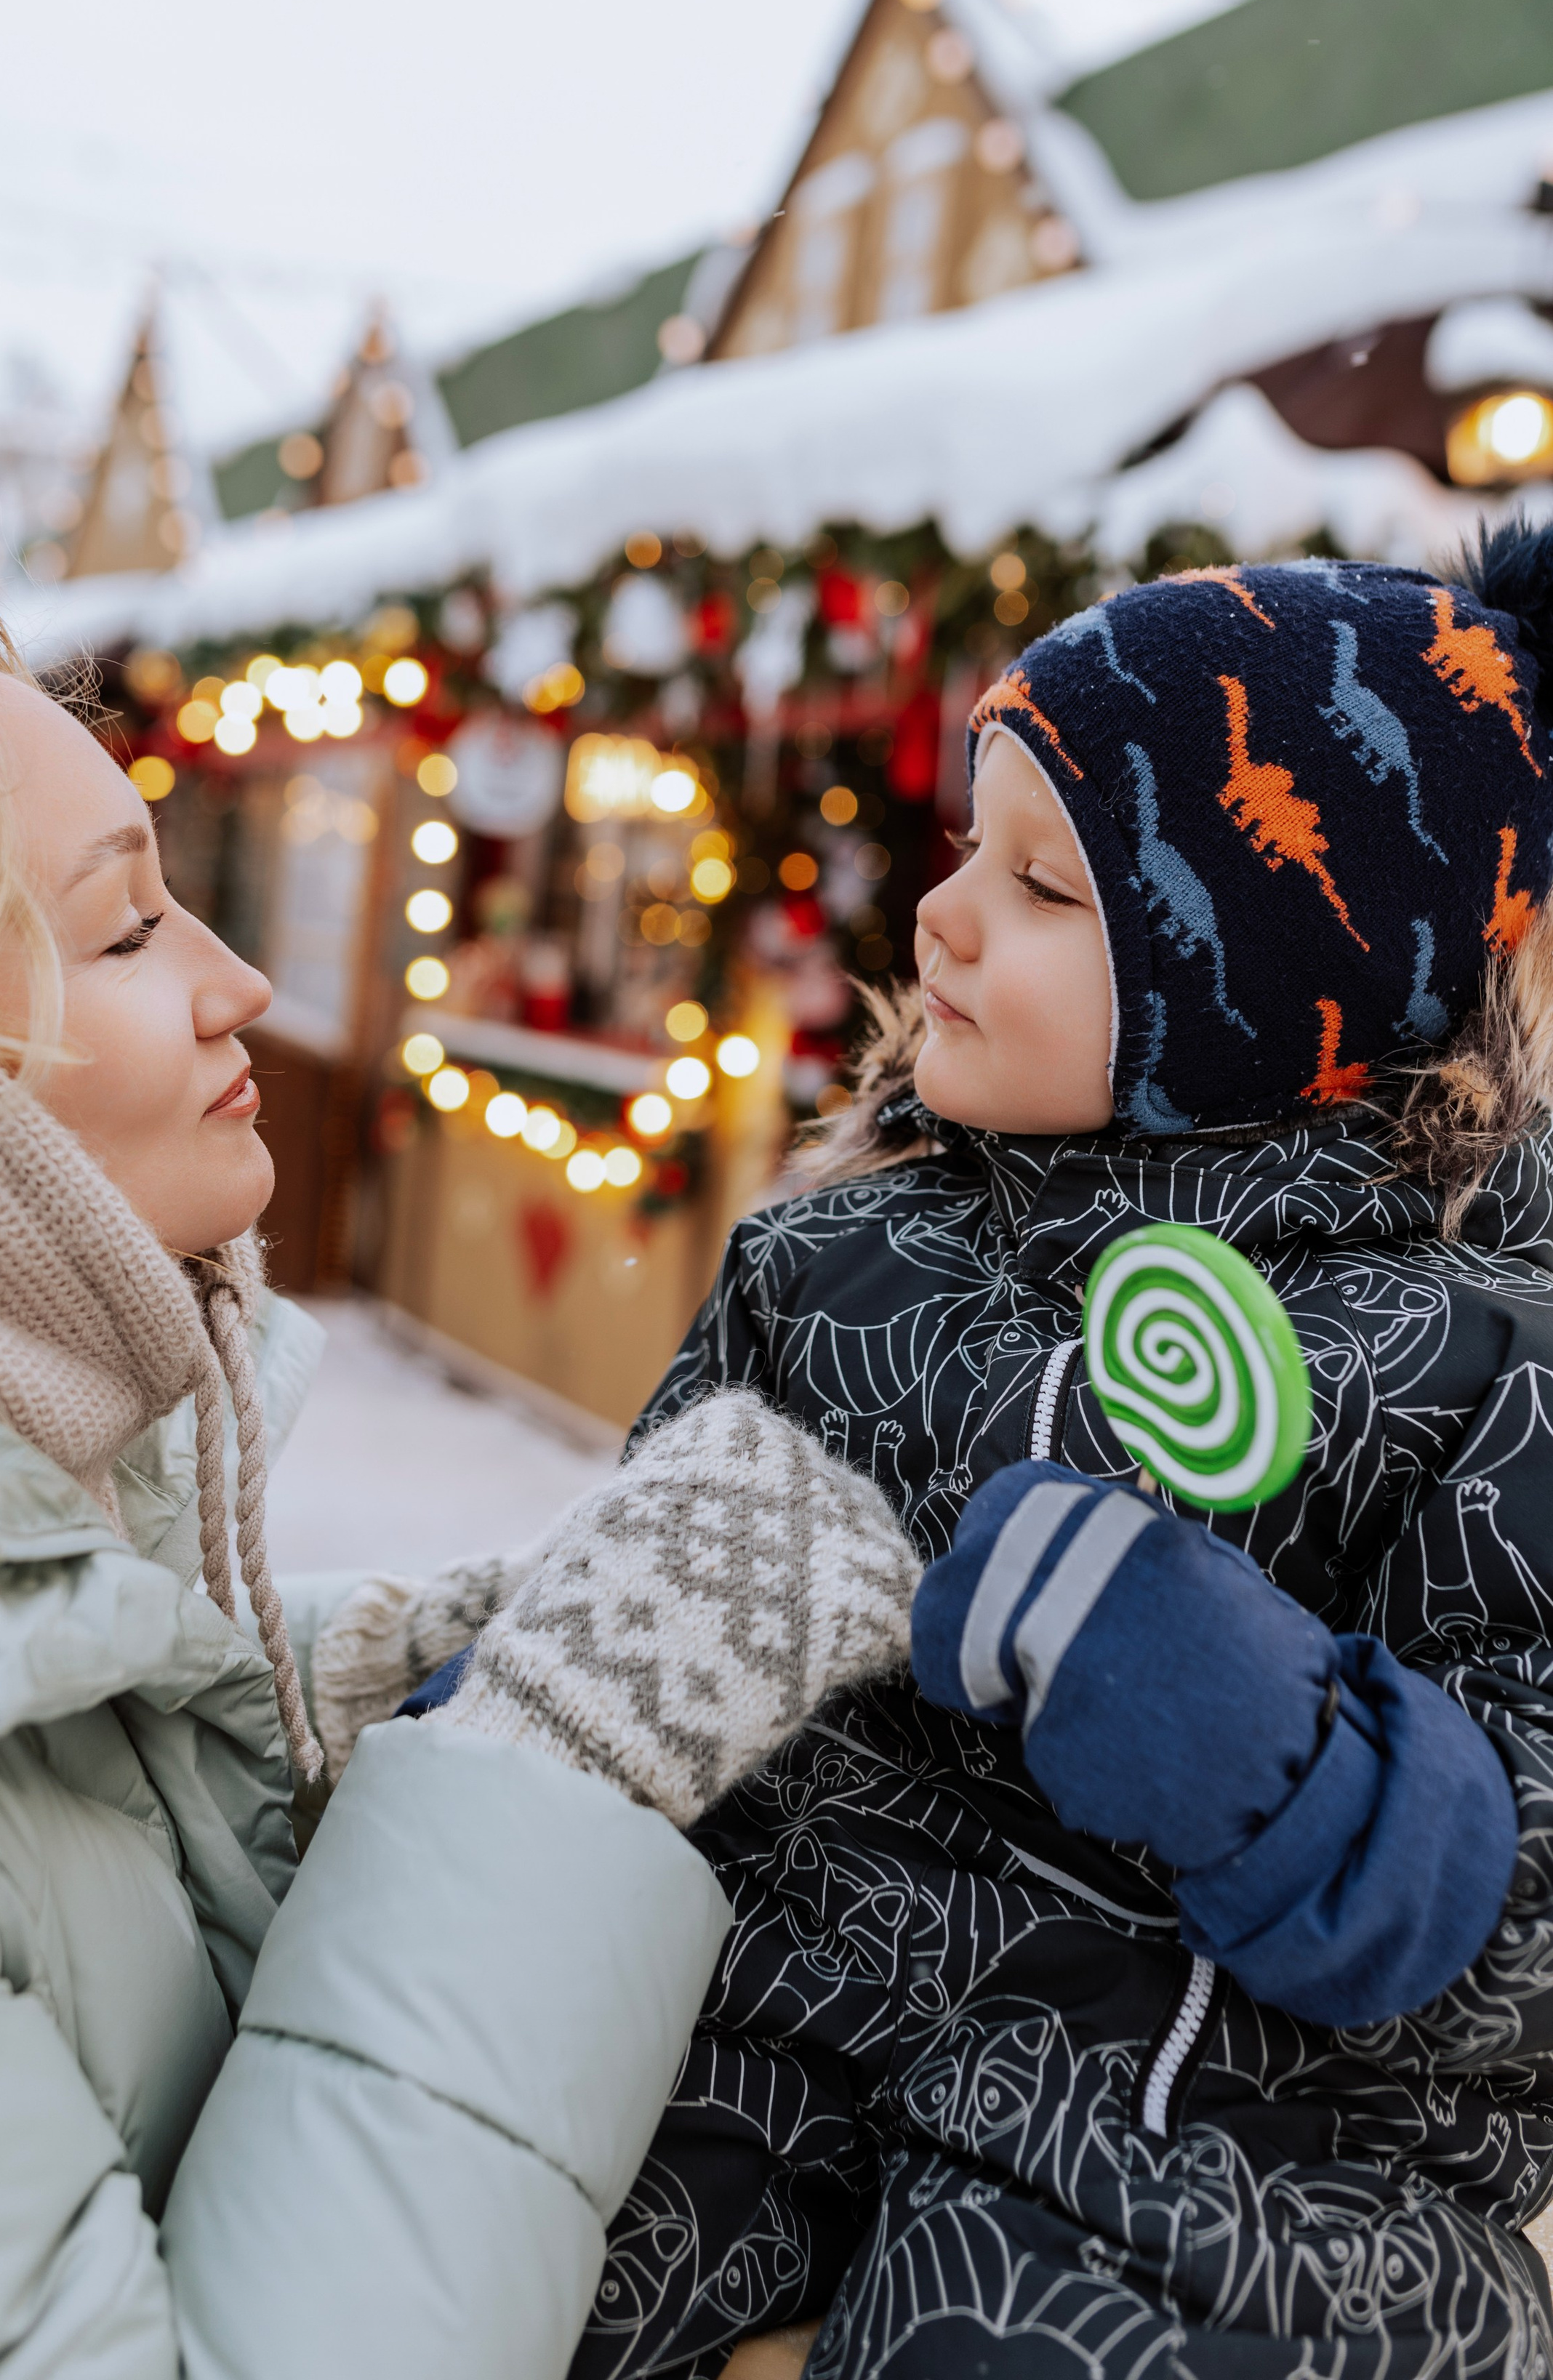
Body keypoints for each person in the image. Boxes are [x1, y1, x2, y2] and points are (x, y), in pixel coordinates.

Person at [0, 587, 923, 2380]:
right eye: (124, 930)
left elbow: (29, 1794)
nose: (235, 980)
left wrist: (378, 1678)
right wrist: (535, 1774)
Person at [545, 531, 1553, 2377]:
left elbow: (1522, 1940)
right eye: (961, 851)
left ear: (1270, 980)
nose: (937, 918)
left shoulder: (1475, 1364)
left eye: (1040, 888)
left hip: (1228, 2115)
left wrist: (1274, 1751)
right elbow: (629, 1640)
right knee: (507, 2237)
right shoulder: (831, 1259)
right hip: (783, 2013)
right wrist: (523, 1718)